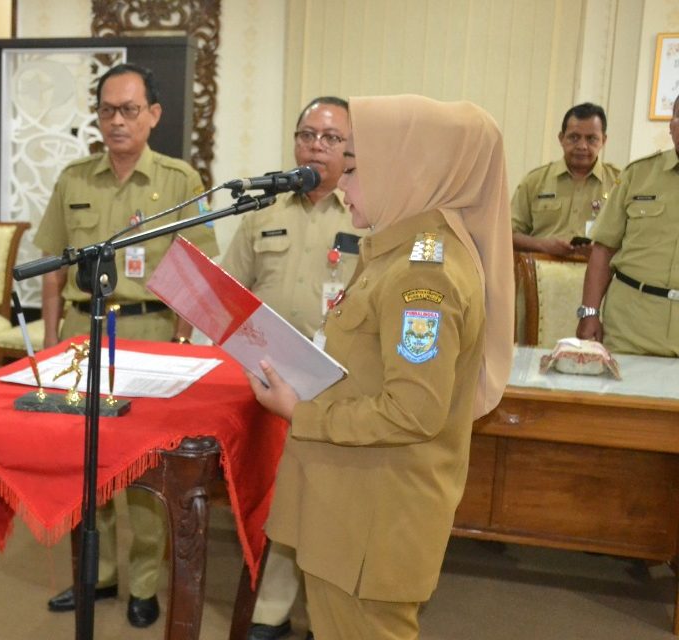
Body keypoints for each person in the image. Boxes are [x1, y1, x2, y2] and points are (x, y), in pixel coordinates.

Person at [249, 95, 513, 639]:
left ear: (410, 172)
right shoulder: (398, 252)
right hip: (351, 508)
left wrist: (303, 413)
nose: (342, 181)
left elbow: (413, 412)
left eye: (357, 167)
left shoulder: (425, 276)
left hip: (374, 521)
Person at [32, 62, 218, 628]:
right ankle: (95, 576)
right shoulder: (74, 178)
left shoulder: (180, 179)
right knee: (86, 467)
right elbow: (53, 269)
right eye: (107, 110)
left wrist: (185, 338)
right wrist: (47, 344)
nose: (117, 121)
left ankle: (142, 585)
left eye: (129, 110)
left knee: (142, 471)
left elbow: (198, 263)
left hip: (151, 334)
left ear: (153, 115)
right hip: (82, 337)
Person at [220, 96, 360, 640]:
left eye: (330, 138)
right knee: (276, 494)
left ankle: (321, 613)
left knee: (328, 501)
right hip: (266, 378)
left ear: (351, 150)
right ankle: (271, 611)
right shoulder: (261, 208)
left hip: (338, 380)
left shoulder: (367, 212)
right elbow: (230, 293)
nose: (315, 146)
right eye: (307, 135)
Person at [576, 95, 679, 357]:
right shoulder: (638, 174)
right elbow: (603, 249)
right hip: (632, 326)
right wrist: (589, 313)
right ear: (671, 125)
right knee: (621, 398)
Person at [511, 103, 619, 257]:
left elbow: (634, 239)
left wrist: (601, 251)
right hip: (541, 272)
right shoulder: (535, 181)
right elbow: (508, 235)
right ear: (561, 138)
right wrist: (543, 245)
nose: (582, 146)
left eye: (591, 139)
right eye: (574, 137)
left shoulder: (619, 184)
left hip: (598, 275)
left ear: (603, 140)